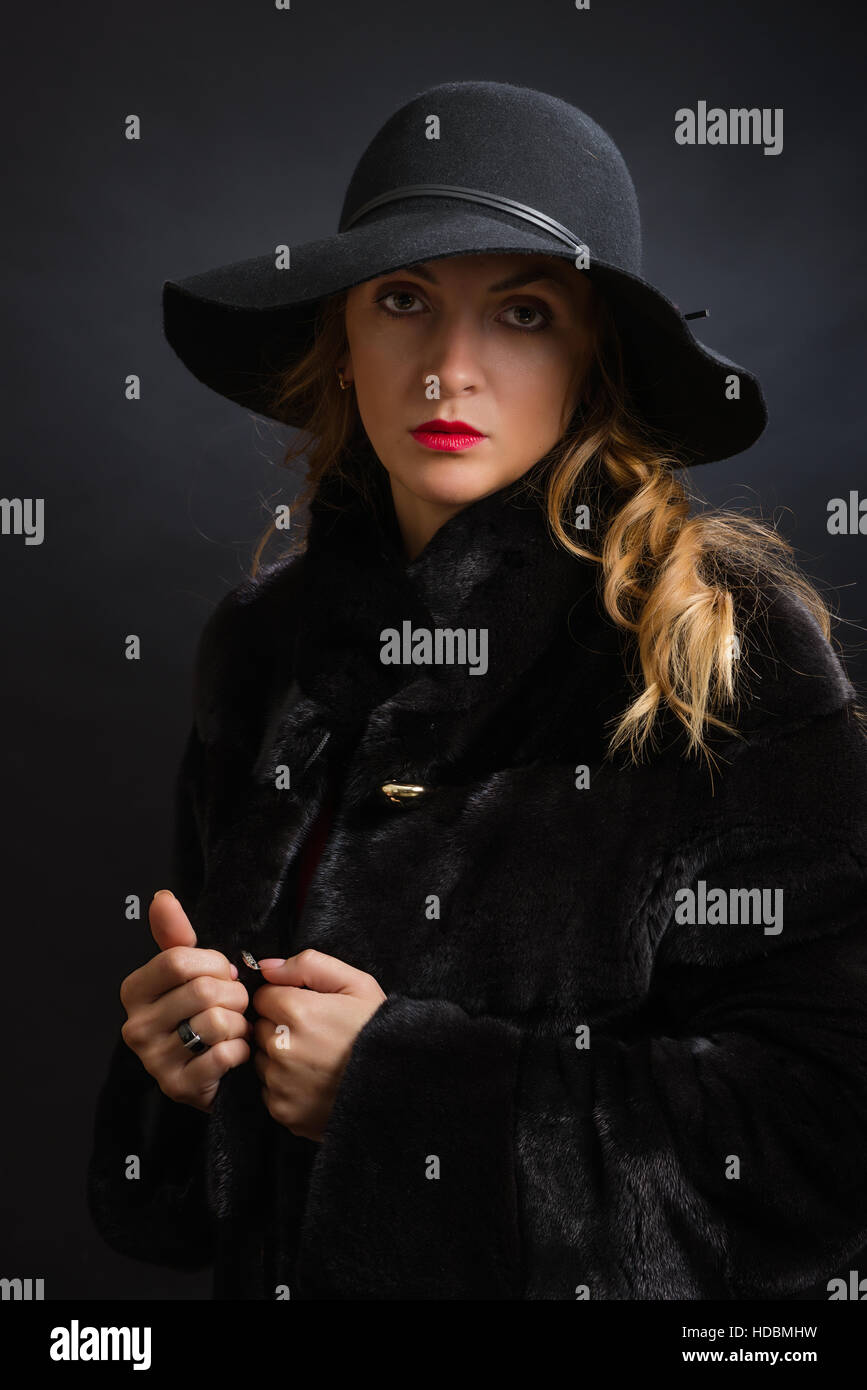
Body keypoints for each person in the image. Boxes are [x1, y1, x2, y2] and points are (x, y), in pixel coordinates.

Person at [86, 79, 867, 1301]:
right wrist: (176, 1065)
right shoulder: (261, 652)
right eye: (405, 301)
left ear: (592, 356)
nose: (451, 368)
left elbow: (820, 1143)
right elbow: (190, 1194)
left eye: (521, 311)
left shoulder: (719, 651)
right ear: (343, 339)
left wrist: (400, 1093)